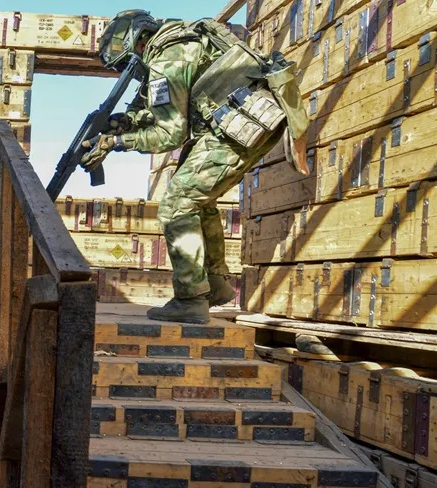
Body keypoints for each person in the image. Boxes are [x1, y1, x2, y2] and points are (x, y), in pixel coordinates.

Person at [80, 9, 309, 324]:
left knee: (176, 206)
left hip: (237, 127)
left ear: (139, 43)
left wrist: (117, 142)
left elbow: (169, 134)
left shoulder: (167, 60)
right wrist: (123, 122)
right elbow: (162, 109)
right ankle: (214, 285)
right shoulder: (179, 41)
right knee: (198, 203)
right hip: (248, 121)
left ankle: (190, 299)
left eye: (126, 63)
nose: (130, 71)